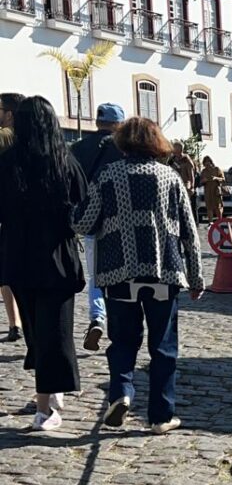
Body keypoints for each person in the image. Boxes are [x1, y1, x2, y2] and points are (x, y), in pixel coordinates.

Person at [74, 118, 204, 435]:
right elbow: (190, 233)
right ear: (157, 143)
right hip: (164, 273)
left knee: (123, 341)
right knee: (163, 346)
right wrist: (197, 278)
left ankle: (121, 393)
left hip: (119, 275)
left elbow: (84, 224)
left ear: (123, 142)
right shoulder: (170, 177)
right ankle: (161, 415)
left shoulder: (107, 176)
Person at [0, 96, 87, 431]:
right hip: (57, 256)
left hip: (19, 255)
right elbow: (83, 206)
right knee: (57, 331)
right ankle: (47, 404)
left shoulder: (8, 162)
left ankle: (49, 396)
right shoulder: (65, 162)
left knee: (38, 332)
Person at [70, 102, 125, 352]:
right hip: (121, 220)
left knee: (95, 276)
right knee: (121, 275)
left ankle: (97, 317)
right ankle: (118, 323)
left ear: (97, 122)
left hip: (90, 220)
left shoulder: (79, 148)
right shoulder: (125, 148)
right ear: (118, 124)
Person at [0, 93, 24, 343]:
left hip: (6, 211)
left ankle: (14, 322)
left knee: (5, 272)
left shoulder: (5, 136)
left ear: (9, 113)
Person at [171, 142, 197, 211]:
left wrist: (192, 187)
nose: (173, 150)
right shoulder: (171, 160)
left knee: (185, 205)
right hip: (174, 185)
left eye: (175, 148)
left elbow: (191, 175)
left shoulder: (186, 160)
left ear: (180, 149)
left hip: (185, 185)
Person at [200, 156, 225, 224]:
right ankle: (210, 222)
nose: (207, 163)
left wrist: (216, 178)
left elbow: (223, 179)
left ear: (211, 162)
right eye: (205, 162)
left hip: (216, 190)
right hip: (208, 191)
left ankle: (220, 221)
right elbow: (200, 182)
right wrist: (203, 180)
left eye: (208, 161)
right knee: (209, 207)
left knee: (218, 206)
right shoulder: (203, 171)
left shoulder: (217, 169)